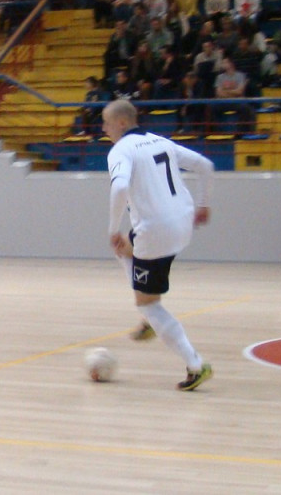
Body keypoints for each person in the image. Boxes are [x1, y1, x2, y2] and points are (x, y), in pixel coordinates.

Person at [102, 99, 214, 391]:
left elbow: (119, 187)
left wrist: (113, 228)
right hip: (184, 223)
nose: (104, 128)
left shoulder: (120, 150)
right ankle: (147, 314)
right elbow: (205, 165)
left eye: (107, 122)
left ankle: (196, 365)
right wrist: (204, 204)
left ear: (122, 123)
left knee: (149, 302)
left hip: (156, 233)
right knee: (125, 249)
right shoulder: (161, 141)